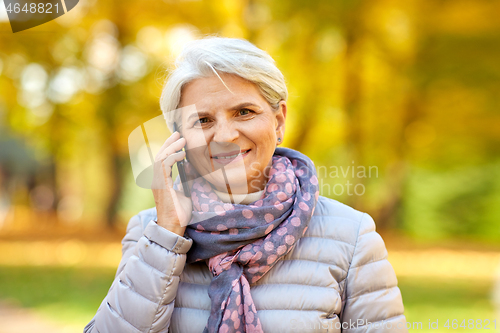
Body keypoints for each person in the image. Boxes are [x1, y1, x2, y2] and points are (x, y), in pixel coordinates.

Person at [84, 36, 407, 333]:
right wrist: (167, 235)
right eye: (203, 120)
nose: (225, 136)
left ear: (278, 120)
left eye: (244, 112)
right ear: (179, 138)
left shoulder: (351, 237)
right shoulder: (149, 233)